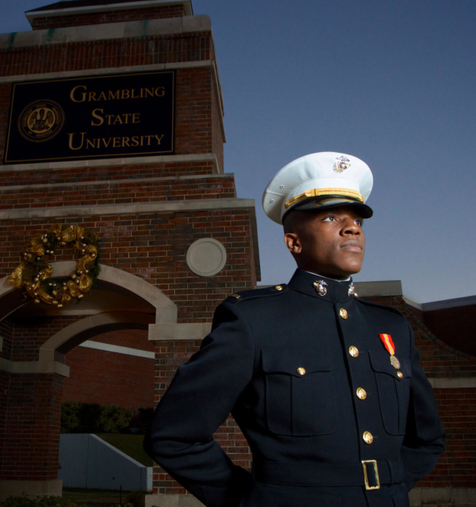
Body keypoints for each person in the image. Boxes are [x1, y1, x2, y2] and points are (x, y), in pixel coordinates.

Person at [144, 152, 445, 507]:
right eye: (331, 217)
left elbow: (427, 438)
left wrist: (388, 491)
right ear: (293, 242)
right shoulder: (253, 321)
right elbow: (172, 435)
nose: (353, 229)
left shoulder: (391, 327)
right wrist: (253, 501)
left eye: (357, 221)